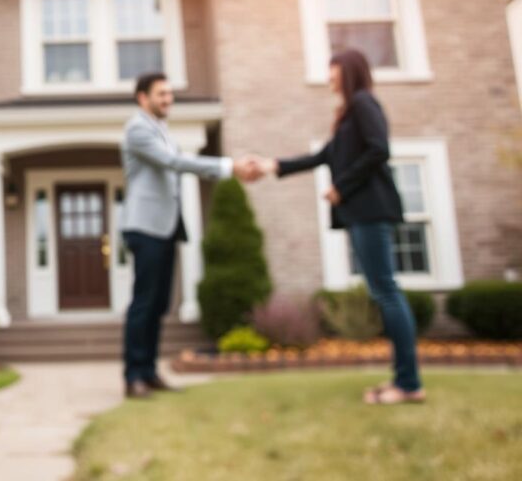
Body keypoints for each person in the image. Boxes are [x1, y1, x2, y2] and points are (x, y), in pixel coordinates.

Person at [254, 49, 425, 405]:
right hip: (361, 214)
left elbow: (380, 149)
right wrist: (271, 165)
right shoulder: (349, 114)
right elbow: (321, 157)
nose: (329, 79)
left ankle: (408, 384)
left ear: (346, 72)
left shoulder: (364, 103)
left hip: (370, 210)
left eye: (332, 72)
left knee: (387, 293)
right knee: (385, 292)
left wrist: (341, 187)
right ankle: (403, 379)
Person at [120, 72, 260, 399]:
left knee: (158, 304)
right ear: (143, 98)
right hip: (144, 226)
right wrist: (228, 167)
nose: (168, 99)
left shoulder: (162, 130)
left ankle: (149, 372)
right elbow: (172, 163)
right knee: (144, 303)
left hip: (166, 227)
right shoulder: (138, 128)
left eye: (170, 94)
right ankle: (133, 377)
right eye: (161, 94)